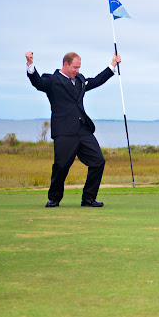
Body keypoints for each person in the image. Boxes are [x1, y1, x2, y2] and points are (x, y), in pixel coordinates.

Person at [25, 51, 120, 208]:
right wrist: (30, 65)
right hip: (63, 131)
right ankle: (54, 198)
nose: (77, 71)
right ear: (65, 64)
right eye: (75, 67)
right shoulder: (52, 80)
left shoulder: (80, 80)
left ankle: (88, 198)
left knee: (98, 161)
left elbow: (96, 81)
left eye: (79, 68)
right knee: (61, 166)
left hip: (82, 130)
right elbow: (38, 83)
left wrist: (113, 65)